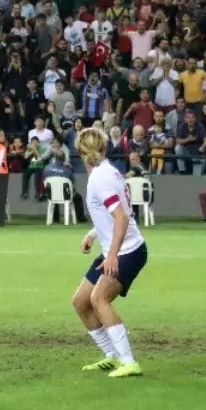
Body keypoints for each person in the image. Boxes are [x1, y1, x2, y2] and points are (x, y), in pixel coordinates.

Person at [72, 126, 148, 378]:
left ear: (81, 153)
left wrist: (112, 255)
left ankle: (129, 361)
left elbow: (121, 217)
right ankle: (112, 356)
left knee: (98, 298)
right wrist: (93, 235)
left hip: (127, 250)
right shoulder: (110, 171)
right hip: (116, 248)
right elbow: (117, 212)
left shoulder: (99, 178)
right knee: (81, 301)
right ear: (103, 148)